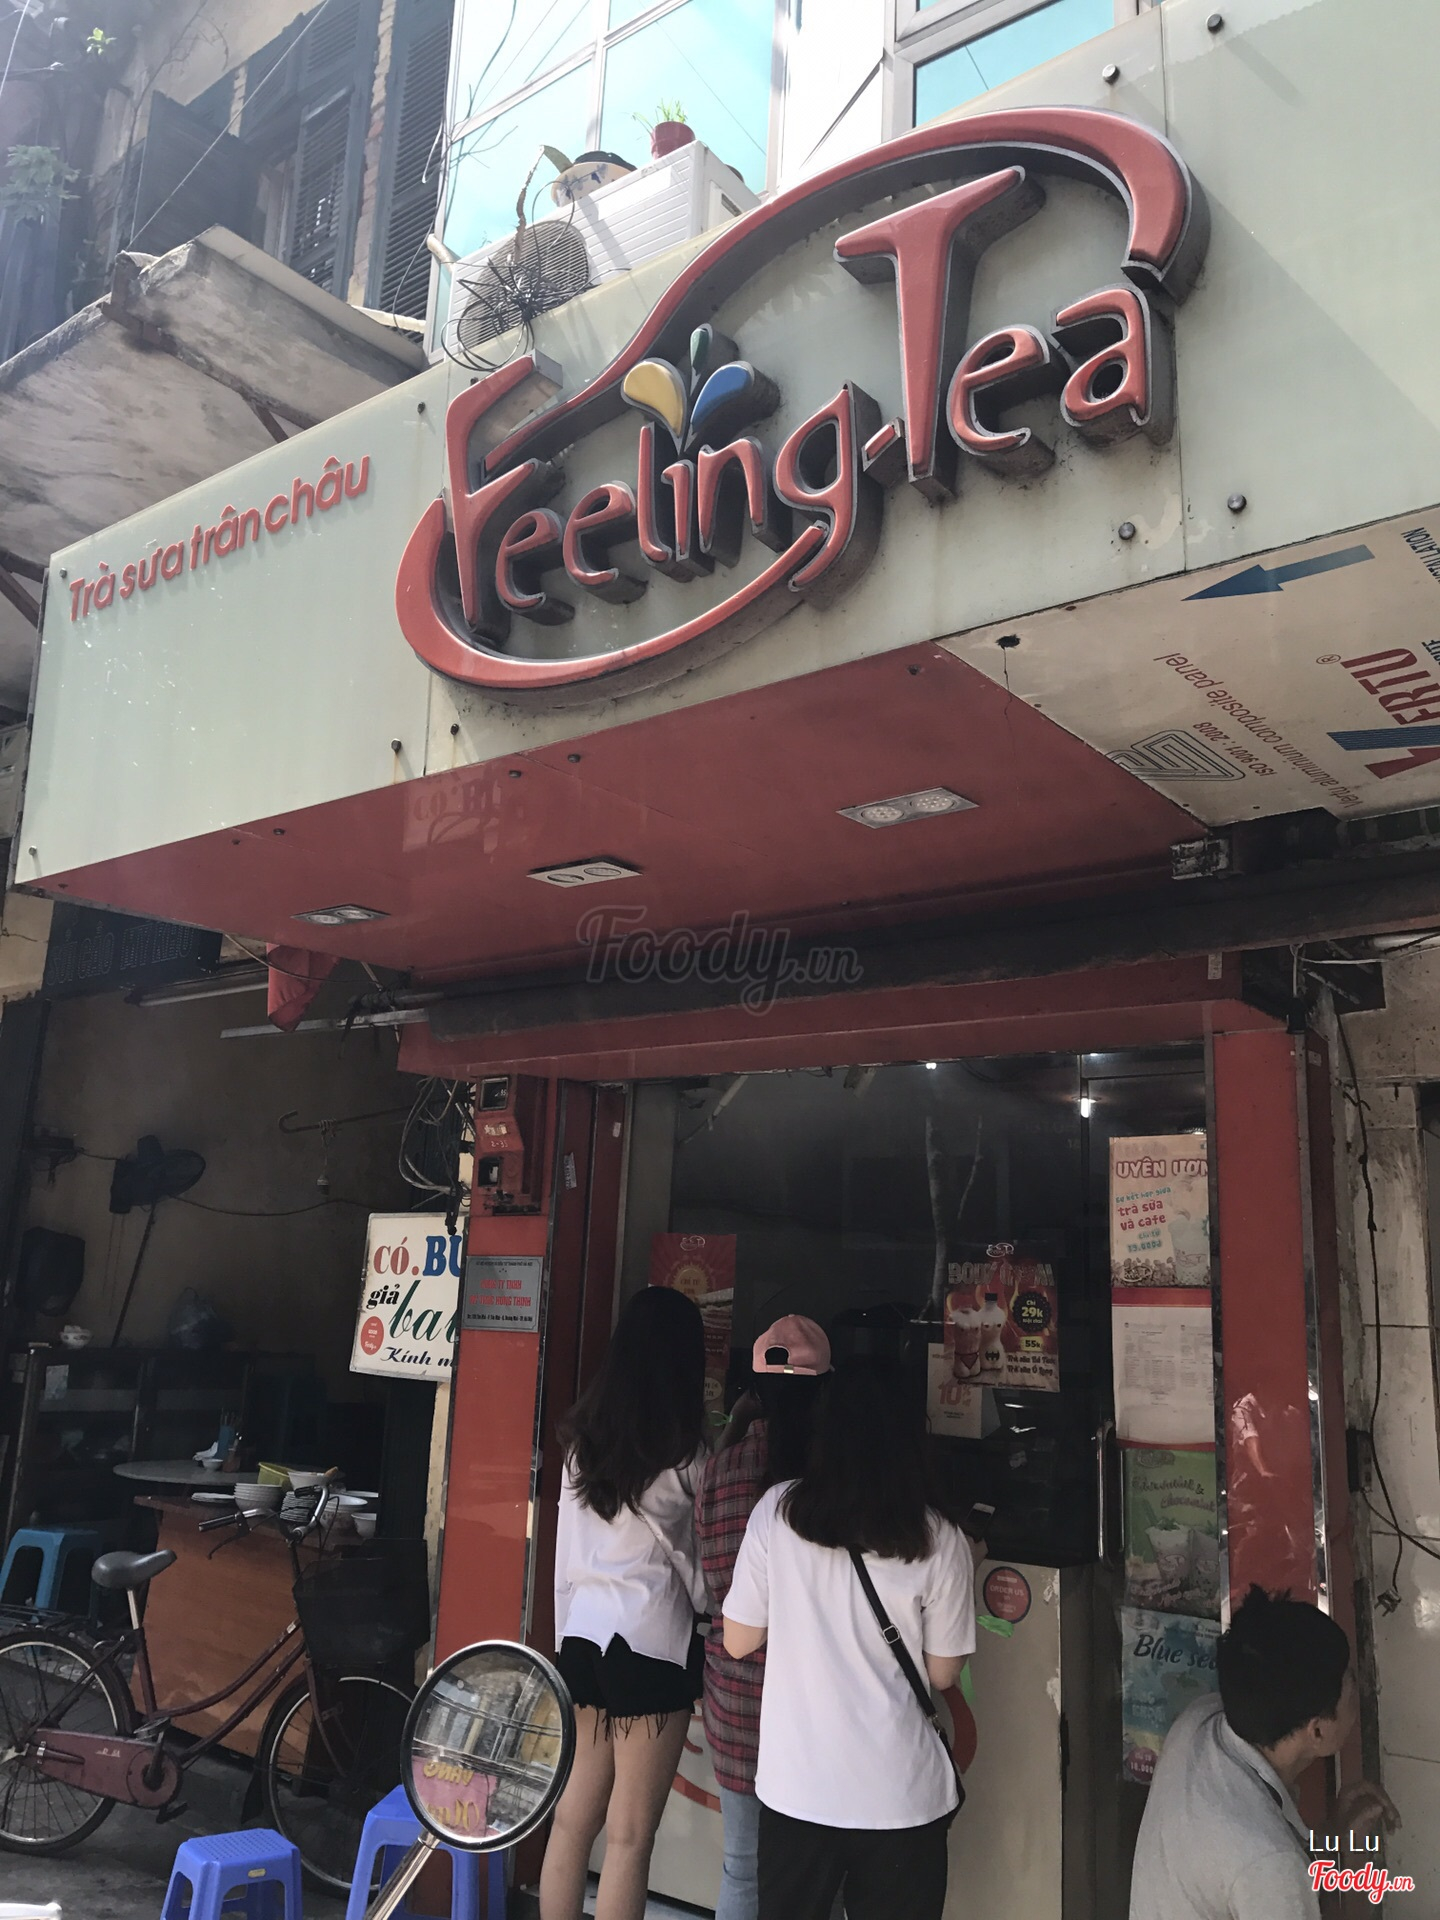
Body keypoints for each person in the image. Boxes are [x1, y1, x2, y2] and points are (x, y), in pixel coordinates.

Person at [722, 1356, 975, 1920]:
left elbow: (738, 1640)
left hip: (797, 1789)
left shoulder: (777, 1512)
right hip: (901, 1795)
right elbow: (942, 1673)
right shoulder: (941, 1537)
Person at [540, 1285, 709, 1920]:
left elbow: (564, 1560)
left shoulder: (581, 1444)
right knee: (630, 1837)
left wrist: (564, 1641)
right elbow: (697, 1569)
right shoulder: (687, 1454)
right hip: (651, 1646)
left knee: (570, 1822)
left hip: (583, 1639)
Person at [1129, 1585, 1399, 1919]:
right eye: (1352, 1687)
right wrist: (1354, 1860)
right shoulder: (1269, 1865)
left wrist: (1335, 1836)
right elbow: (1275, 1872)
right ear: (1318, 1730)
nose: (1359, 1692)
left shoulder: (1199, 1722)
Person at [695, 1315, 832, 1920]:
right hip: (819, 1704)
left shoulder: (720, 1470)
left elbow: (708, 1573)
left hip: (738, 1700)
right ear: (824, 1389)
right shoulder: (835, 1474)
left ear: (754, 1390)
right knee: (826, 1875)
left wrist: (734, 1426)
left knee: (742, 1867)